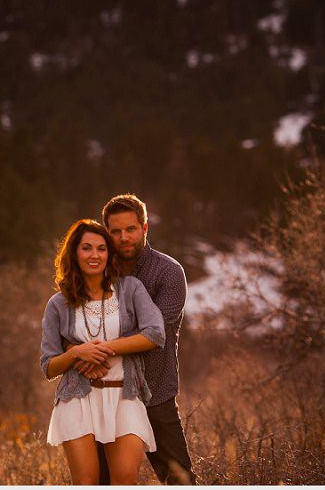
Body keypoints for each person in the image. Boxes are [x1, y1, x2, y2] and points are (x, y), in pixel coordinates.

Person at [40, 219, 166, 484]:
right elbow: (48, 366)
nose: (94, 255)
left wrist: (103, 349)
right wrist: (76, 354)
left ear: (109, 254)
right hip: (78, 398)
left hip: (125, 394)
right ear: (74, 253)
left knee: (124, 479)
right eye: (86, 248)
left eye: (101, 248)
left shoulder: (130, 289)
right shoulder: (58, 303)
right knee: (87, 482)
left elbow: (155, 333)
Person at [87, 194, 195, 484]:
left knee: (180, 481)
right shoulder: (95, 272)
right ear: (106, 232)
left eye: (131, 229)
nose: (123, 237)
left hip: (155, 394)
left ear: (145, 228)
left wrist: (101, 344)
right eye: (115, 231)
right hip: (107, 395)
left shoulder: (169, 272)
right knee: (103, 483)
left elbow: (153, 332)